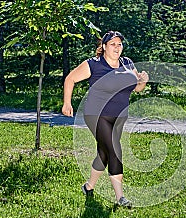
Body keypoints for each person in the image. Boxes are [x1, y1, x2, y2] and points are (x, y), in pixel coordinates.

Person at [62, 31, 149, 207]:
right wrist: (67, 103)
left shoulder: (127, 63)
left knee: (104, 153)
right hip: (96, 115)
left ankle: (88, 186)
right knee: (114, 151)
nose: (117, 47)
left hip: (119, 117)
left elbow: (136, 89)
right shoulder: (94, 65)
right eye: (113, 44)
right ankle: (120, 198)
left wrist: (143, 81)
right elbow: (70, 79)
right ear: (104, 46)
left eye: (119, 44)